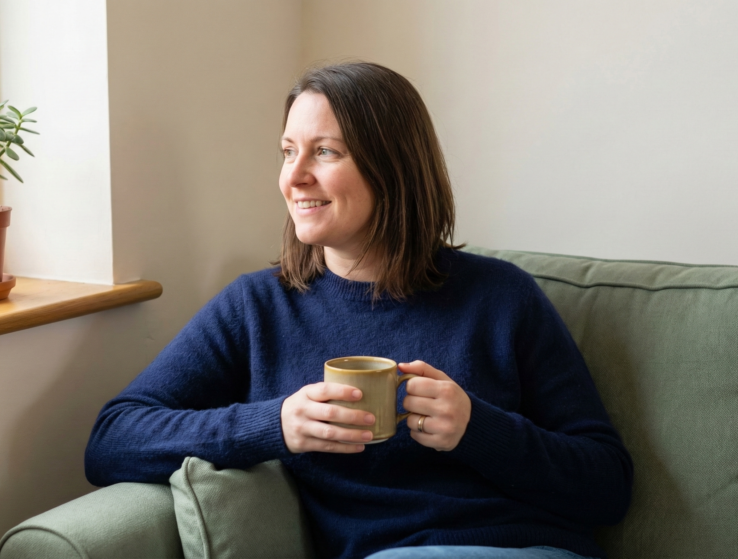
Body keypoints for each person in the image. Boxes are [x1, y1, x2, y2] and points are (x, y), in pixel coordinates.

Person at [85, 62, 632, 559]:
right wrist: (276, 424)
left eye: (325, 152)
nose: (295, 177)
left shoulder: (502, 297)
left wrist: (477, 429)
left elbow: (607, 487)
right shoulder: (259, 306)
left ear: (393, 168)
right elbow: (113, 440)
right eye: (287, 151)